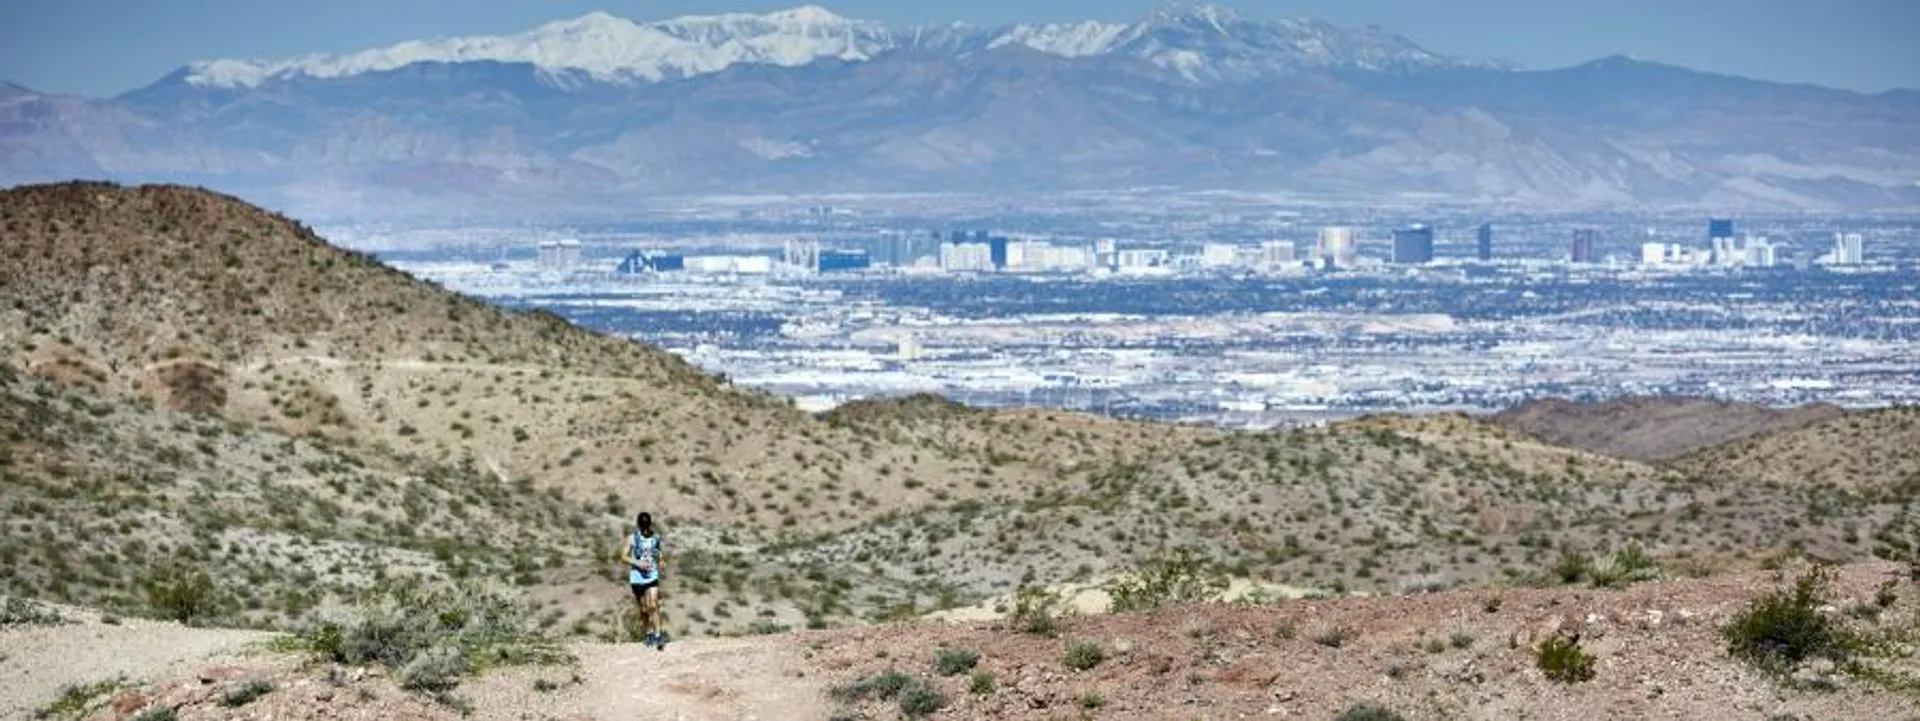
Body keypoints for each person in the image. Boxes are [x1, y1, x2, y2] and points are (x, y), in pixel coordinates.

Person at [620, 512, 668, 649]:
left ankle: (659, 635)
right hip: (637, 577)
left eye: (647, 525)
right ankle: (649, 633)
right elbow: (623, 556)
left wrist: (661, 560)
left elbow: (658, 551)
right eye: (643, 525)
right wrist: (637, 563)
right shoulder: (632, 538)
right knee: (644, 609)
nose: (645, 528)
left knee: (653, 605)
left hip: (652, 575)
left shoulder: (655, 537)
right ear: (639, 525)